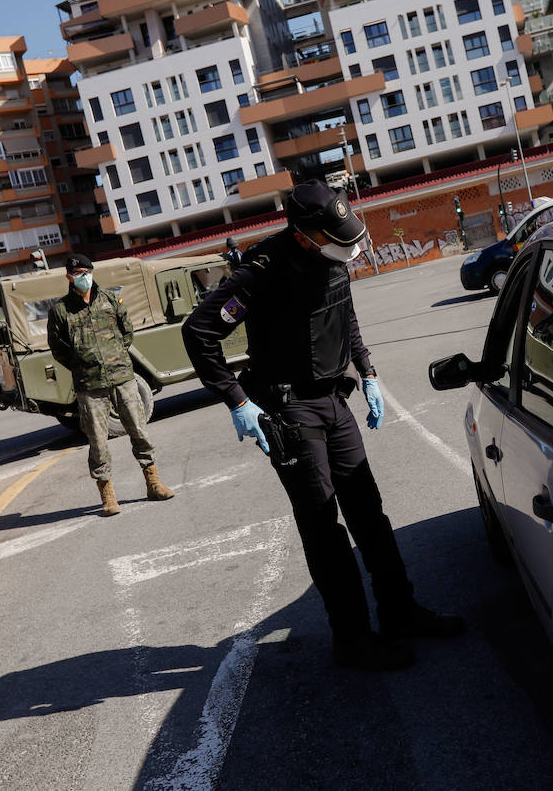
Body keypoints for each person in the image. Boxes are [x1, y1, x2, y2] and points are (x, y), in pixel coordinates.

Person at [182, 181, 464, 671]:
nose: (345, 247)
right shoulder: (263, 271)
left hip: (334, 400)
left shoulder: (334, 254)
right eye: (334, 238)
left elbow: (346, 317)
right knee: (324, 528)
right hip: (289, 409)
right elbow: (199, 331)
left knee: (369, 513)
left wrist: (368, 372)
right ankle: (353, 641)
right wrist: (237, 400)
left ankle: (400, 613)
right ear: (304, 234)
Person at [48, 253, 174, 515]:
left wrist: (115, 357)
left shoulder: (109, 299)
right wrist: (82, 365)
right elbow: (58, 349)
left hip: (122, 378)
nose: (83, 277)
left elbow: (127, 332)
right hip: (89, 386)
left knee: (139, 430)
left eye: (86, 272)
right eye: (77, 274)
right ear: (69, 277)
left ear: (92, 272)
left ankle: (153, 482)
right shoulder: (60, 311)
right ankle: (107, 495)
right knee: (98, 442)